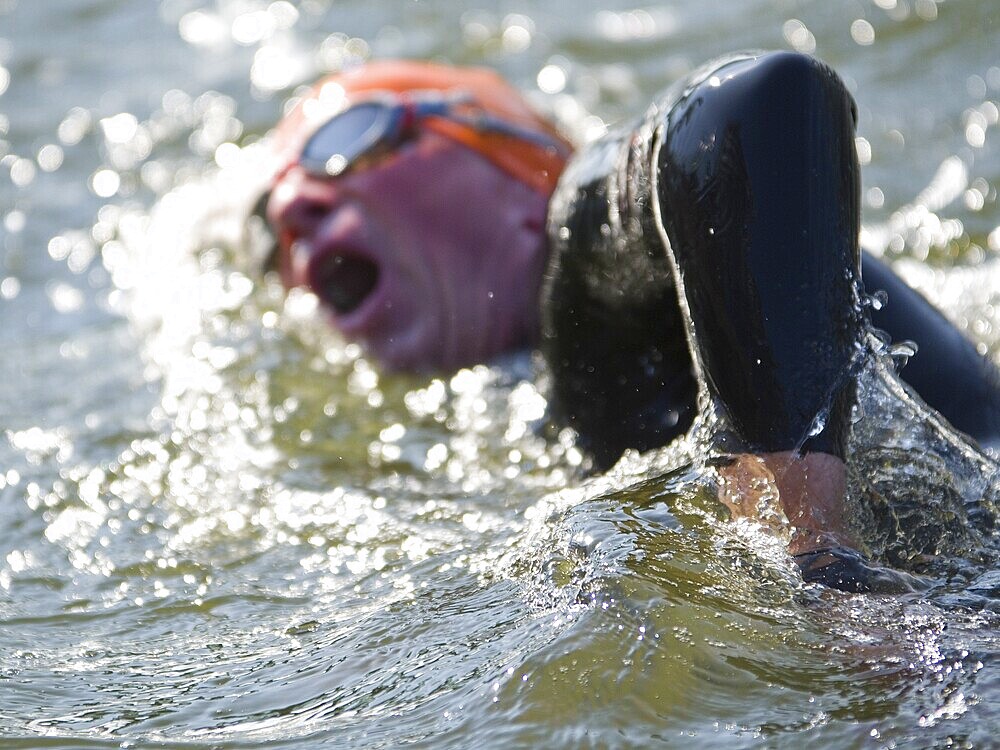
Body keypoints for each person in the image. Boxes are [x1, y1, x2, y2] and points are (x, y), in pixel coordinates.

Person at [258, 51, 1000, 591]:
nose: (293, 207)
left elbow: (746, 108)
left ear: (525, 168)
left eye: (344, 144)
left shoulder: (585, 251)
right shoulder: (500, 414)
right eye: (269, 232)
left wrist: (816, 558)